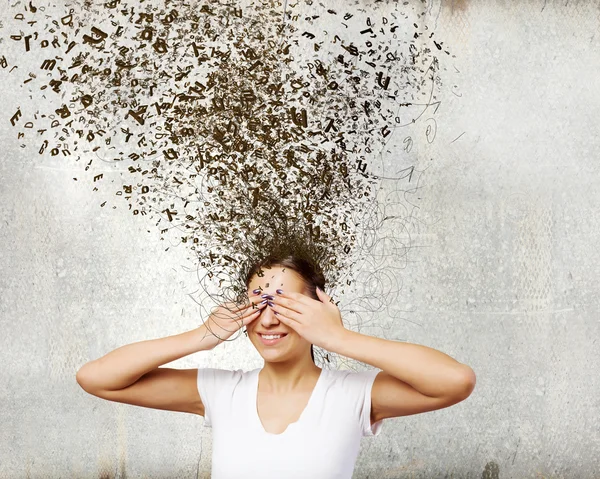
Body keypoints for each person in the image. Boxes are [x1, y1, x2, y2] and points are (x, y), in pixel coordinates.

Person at [76, 254, 476, 478]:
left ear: (317, 310)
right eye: (258, 304)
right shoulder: (222, 392)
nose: (268, 320)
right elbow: (95, 378)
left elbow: (455, 381)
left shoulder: (352, 394)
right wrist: (202, 335)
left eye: (284, 305)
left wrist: (339, 338)